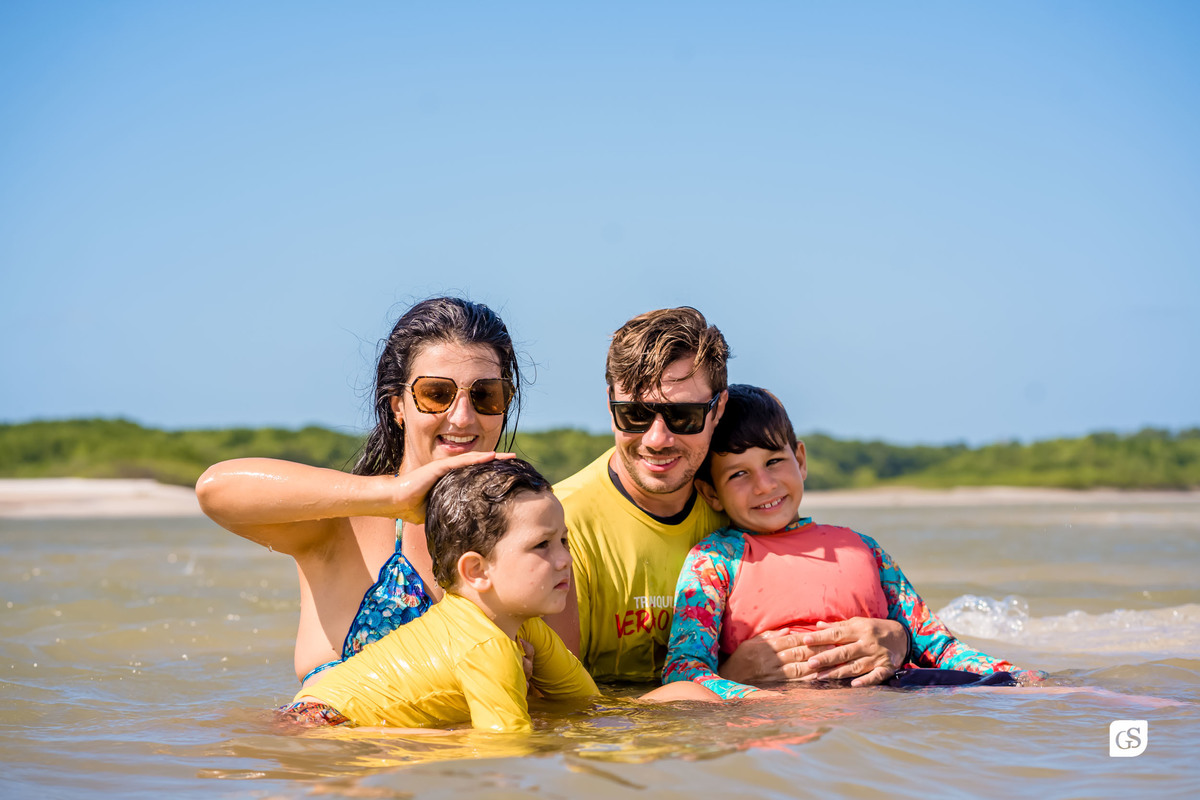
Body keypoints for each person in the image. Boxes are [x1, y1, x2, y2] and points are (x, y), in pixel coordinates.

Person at [546, 308, 909, 684]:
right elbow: (563, 711)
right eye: (635, 414)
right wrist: (732, 678)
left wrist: (900, 639)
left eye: (683, 415)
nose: (657, 439)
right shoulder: (560, 526)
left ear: (718, 408)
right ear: (609, 404)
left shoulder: (744, 498)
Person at [196, 297, 522, 687]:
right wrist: (391, 496)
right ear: (398, 406)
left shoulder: (533, 530)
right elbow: (215, 490)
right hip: (340, 746)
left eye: (485, 394)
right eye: (437, 394)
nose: (463, 416)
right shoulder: (341, 526)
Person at [662, 385, 1047, 700]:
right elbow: (684, 672)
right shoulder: (714, 561)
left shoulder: (861, 547)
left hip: (884, 714)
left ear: (800, 459)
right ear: (711, 494)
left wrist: (1024, 678)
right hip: (773, 719)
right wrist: (751, 696)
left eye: (775, 461)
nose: (764, 485)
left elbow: (941, 648)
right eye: (739, 474)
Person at [284, 459, 598, 731]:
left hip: (318, 717)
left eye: (564, 541)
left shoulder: (522, 626)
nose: (565, 559)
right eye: (542, 545)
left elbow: (587, 703)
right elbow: (507, 758)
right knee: (455, 740)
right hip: (322, 727)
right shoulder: (486, 646)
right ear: (476, 570)